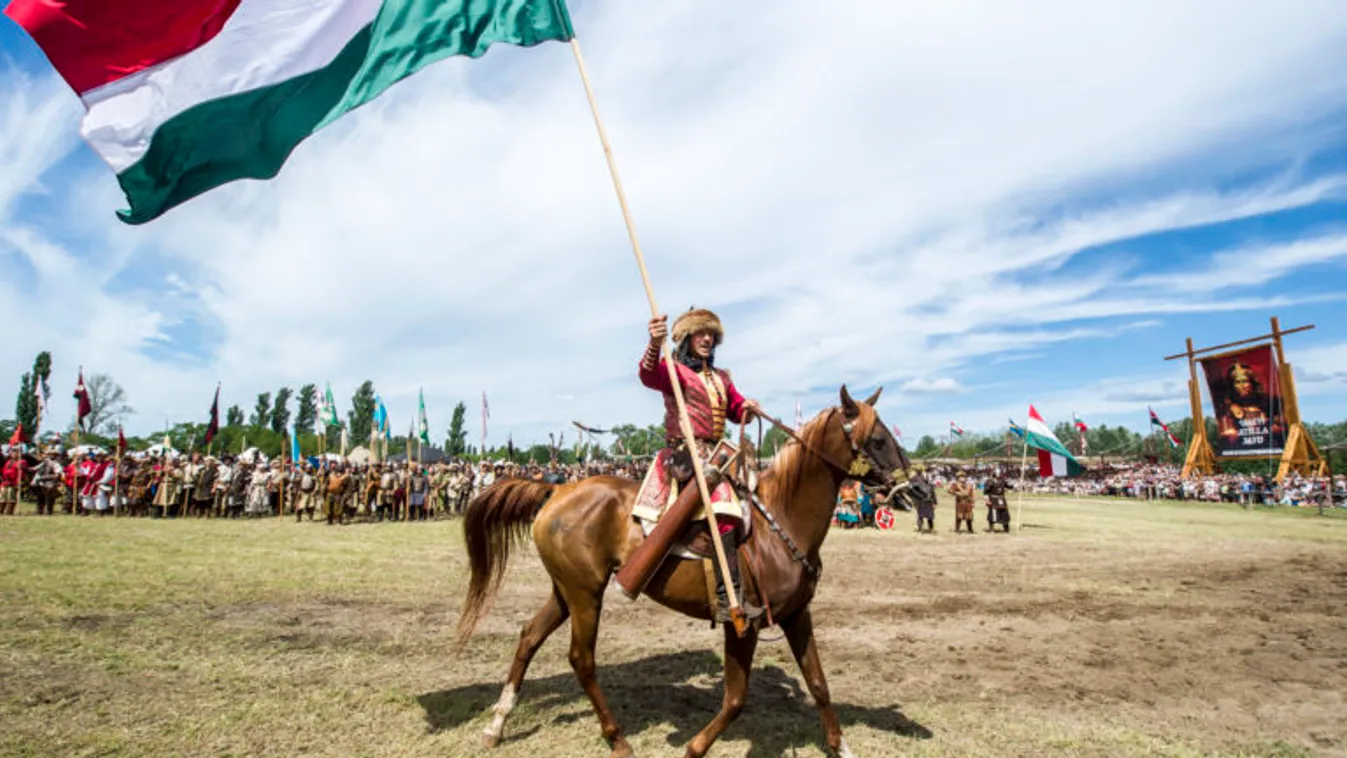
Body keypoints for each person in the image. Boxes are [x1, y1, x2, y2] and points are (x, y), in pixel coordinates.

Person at [634, 308, 763, 624]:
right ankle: (727, 598)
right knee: (725, 514)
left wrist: (747, 409)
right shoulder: (674, 371)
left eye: (711, 335)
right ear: (687, 338)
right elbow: (648, 375)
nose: (707, 339)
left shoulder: (722, 378)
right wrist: (654, 342)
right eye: (700, 334)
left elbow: (735, 409)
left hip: (717, 455)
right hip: (684, 455)